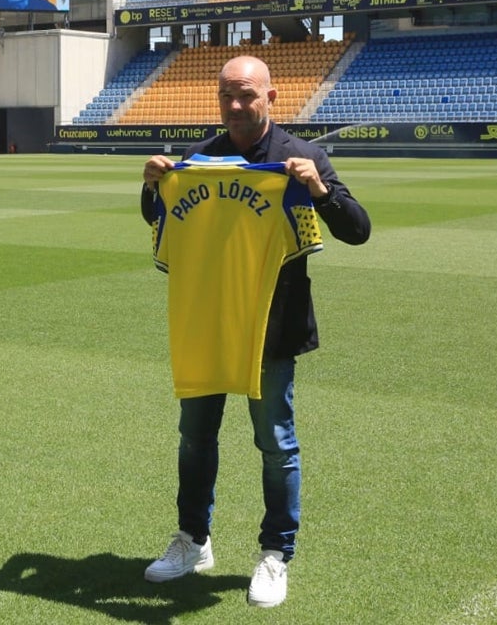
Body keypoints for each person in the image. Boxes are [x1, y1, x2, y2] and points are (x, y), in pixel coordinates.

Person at [139, 54, 371, 608]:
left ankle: (276, 554)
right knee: (195, 438)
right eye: (227, 96)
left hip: (274, 327)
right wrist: (154, 187)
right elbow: (160, 219)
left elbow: (358, 229)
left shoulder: (302, 157)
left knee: (276, 442)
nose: (237, 105)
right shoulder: (202, 159)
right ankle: (194, 540)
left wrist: (319, 190)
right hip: (208, 320)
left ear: (272, 97)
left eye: (247, 95)